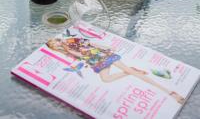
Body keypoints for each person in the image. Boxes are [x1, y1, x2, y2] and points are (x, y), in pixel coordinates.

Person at [47, 37, 185, 104]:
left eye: (54, 41)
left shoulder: (71, 40)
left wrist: (107, 47)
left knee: (135, 75)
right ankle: (128, 71)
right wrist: (65, 50)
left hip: (101, 55)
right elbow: (81, 57)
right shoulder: (65, 50)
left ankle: (170, 93)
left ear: (57, 39)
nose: (56, 44)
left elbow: (90, 44)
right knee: (106, 79)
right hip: (95, 61)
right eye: (53, 45)